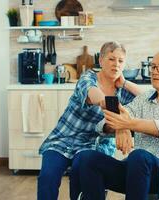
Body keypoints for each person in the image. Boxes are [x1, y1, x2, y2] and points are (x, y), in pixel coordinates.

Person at [77, 50, 159, 200]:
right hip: (137, 170)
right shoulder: (144, 98)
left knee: (139, 156)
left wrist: (130, 123)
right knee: (86, 158)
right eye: (153, 67)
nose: (155, 72)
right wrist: (121, 127)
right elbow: (103, 124)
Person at [37, 41, 142, 200]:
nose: (116, 65)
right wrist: (122, 127)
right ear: (101, 60)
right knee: (47, 177)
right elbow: (99, 98)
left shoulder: (123, 91)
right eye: (111, 59)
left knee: (81, 178)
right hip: (64, 137)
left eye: (120, 61)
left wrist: (125, 83)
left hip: (95, 143)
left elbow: (148, 99)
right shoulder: (88, 78)